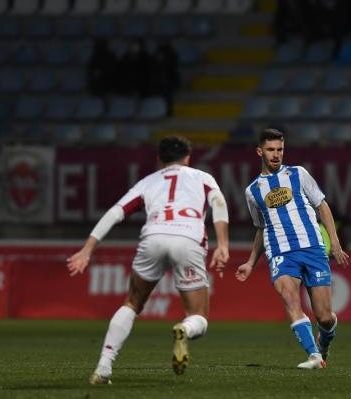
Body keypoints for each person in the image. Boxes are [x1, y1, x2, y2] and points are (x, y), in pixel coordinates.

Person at [67, 136, 230, 383]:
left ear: (158, 159)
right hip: (188, 239)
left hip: (153, 236)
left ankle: (103, 367)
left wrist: (88, 248)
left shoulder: (147, 182)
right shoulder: (203, 178)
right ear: (188, 158)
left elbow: (115, 212)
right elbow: (219, 203)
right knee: (198, 315)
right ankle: (184, 330)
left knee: (132, 303)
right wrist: (223, 244)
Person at [235, 129, 350, 369]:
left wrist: (335, 242)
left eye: (279, 150)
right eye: (270, 150)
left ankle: (324, 345)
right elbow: (261, 228)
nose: (276, 155)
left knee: (325, 317)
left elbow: (322, 206)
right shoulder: (253, 191)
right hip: (280, 251)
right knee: (289, 296)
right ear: (260, 152)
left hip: (312, 247)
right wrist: (250, 262)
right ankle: (314, 356)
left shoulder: (298, 174)